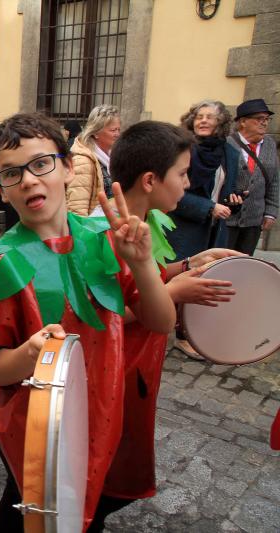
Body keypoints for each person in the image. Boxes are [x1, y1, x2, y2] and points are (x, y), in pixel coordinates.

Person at [0, 113, 175, 532]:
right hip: (30, 421)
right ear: (0, 189)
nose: (31, 180)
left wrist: (143, 265)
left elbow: (161, 322)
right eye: (12, 173)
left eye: (42, 164)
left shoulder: (108, 239)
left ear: (69, 167)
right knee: (32, 509)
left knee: (82, 514)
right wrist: (30, 351)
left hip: (103, 408)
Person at [89, 121, 240, 530]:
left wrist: (191, 263)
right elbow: (101, 314)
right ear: (151, 180)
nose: (189, 183)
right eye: (183, 173)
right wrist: (174, 293)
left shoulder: (143, 221)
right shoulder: (104, 233)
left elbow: (144, 277)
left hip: (138, 370)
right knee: (100, 482)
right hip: (113, 374)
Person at [168, 100, 242, 260]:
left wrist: (233, 202)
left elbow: (224, 191)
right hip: (182, 233)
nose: (203, 121)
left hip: (214, 235)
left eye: (209, 117)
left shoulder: (231, 153)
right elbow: (169, 192)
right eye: (199, 117)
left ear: (220, 122)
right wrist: (209, 207)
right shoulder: (180, 150)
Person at [226, 98, 279, 255]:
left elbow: (274, 180)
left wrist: (271, 211)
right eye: (259, 119)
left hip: (254, 219)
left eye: (266, 119)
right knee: (222, 260)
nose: (264, 123)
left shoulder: (269, 144)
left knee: (245, 261)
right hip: (228, 217)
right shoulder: (227, 143)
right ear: (243, 122)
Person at [66, 104, 121, 215]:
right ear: (96, 132)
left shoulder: (112, 157)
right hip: (94, 230)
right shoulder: (82, 161)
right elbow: (77, 210)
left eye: (119, 129)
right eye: (113, 130)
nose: (118, 134)